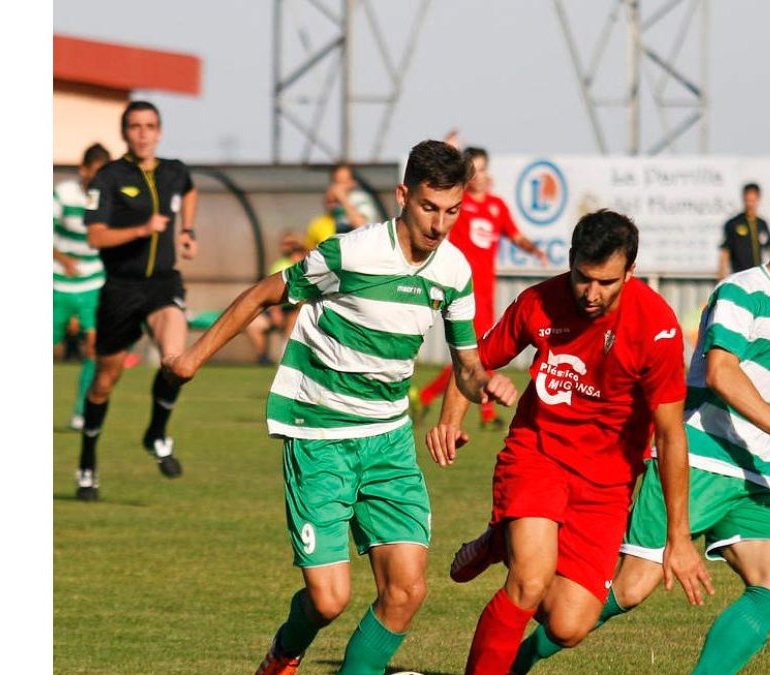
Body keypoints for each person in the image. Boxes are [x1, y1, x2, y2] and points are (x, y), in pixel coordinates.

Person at [161, 139, 518, 675]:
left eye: (451, 211)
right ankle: (284, 653)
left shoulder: (455, 271)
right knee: (328, 600)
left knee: (406, 591)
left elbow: (466, 363)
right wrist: (191, 358)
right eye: (428, 207)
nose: (439, 224)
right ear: (403, 195)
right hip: (319, 431)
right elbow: (263, 294)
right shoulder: (350, 254)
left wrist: (484, 381)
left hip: (388, 438)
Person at [513, 180, 770, 674]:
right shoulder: (743, 291)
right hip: (701, 458)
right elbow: (721, 372)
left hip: (751, 473)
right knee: (632, 587)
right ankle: (519, 657)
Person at [426, 209, 712, 674]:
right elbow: (472, 362)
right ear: (571, 259)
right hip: (538, 455)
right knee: (530, 580)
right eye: (583, 277)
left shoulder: (656, 326)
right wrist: (451, 418)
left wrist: (678, 537)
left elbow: (671, 434)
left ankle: (502, 540)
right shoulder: (539, 302)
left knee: (569, 625)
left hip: (607, 484)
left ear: (630, 273)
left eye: (606, 282)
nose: (591, 293)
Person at [75, 100, 199, 501]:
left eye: (150, 125)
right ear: (124, 132)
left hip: (163, 285)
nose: (143, 133)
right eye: (135, 126)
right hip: (121, 289)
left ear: (159, 131)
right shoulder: (109, 179)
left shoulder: (174, 171)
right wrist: (142, 229)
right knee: (104, 383)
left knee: (178, 365)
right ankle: (87, 466)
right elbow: (96, 237)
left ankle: (156, 433)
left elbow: (190, 191)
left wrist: (187, 231)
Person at [410, 146, 549, 429]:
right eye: (475, 169)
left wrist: (535, 251)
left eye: (484, 168)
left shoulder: (496, 206)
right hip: (464, 289)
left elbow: (516, 235)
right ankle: (446, 402)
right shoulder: (458, 206)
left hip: (487, 290)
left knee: (479, 352)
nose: (481, 175)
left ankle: (434, 399)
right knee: (475, 353)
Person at [54, 142, 111, 430]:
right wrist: (61, 258)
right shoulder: (63, 193)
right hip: (56, 282)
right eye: (96, 173)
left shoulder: (108, 198)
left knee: (94, 348)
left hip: (92, 282)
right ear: (83, 170)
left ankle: (80, 413)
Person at [244, 232, 307, 365]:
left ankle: (286, 359)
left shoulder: (307, 264)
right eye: (285, 244)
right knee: (253, 325)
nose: (289, 248)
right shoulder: (279, 265)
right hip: (280, 307)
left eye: (293, 245)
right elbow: (272, 291)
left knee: (294, 318)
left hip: (296, 308)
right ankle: (263, 358)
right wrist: (275, 311)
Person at [718, 182, 770, 279]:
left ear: (758, 200)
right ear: (743, 199)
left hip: (758, 276)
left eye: (753, 200)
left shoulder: (762, 224)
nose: (750, 204)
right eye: (748, 200)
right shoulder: (733, 224)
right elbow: (725, 252)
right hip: (739, 275)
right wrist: (721, 276)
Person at [327, 161, 384, 234]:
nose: (338, 187)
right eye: (337, 182)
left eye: (344, 181)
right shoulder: (335, 203)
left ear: (352, 182)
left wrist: (342, 198)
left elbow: (362, 226)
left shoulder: (361, 198)